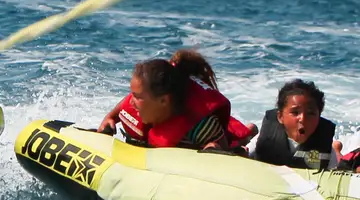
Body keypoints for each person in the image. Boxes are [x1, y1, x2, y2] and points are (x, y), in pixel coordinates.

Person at [98, 49, 248, 151]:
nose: (131, 101)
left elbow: (225, 151)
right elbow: (115, 114)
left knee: (238, 137)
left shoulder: (199, 125)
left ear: (163, 101)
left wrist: (214, 148)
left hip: (215, 137)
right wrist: (109, 119)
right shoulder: (137, 104)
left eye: (137, 97)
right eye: (132, 94)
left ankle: (247, 131)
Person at [250, 78, 340, 168]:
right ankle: (251, 131)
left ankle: (337, 149)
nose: (302, 119)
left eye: (311, 113)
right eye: (295, 113)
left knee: (338, 158)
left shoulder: (325, 146)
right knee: (249, 130)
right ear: (280, 117)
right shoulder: (267, 137)